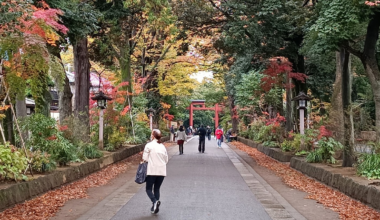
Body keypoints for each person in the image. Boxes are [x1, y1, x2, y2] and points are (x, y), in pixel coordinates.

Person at [142, 129, 169, 214]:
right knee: (157, 189)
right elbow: (166, 160)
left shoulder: (149, 145)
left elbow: (145, 159)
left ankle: (154, 201)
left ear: (153, 136)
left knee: (148, 189)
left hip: (152, 170)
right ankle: (154, 207)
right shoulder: (162, 146)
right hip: (162, 171)